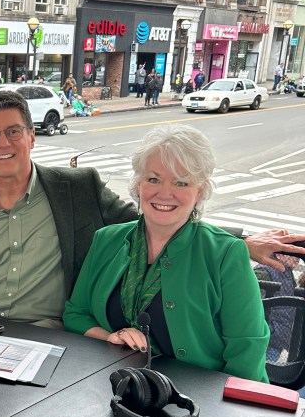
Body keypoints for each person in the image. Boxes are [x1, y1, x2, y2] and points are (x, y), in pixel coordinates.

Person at [0, 90, 305, 320]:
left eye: (13, 132)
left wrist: (242, 242)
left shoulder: (78, 188)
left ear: (32, 137)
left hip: (59, 338)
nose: (2, 143)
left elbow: (151, 224)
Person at [63, 125, 269, 381]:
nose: (164, 193)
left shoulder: (227, 253)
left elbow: (247, 352)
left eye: (181, 182)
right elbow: (76, 314)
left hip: (199, 395)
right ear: (138, 183)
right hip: (119, 386)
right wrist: (111, 337)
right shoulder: (106, 240)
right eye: (153, 179)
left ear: (200, 191)